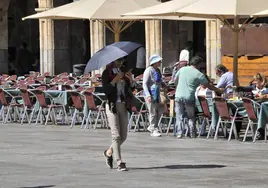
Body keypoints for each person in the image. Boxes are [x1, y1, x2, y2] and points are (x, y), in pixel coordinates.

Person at [174, 56, 222, 138]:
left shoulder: (182, 69)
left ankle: (179, 133)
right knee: (191, 116)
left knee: (179, 115)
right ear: (198, 64)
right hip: (189, 97)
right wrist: (218, 90)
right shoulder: (199, 74)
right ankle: (192, 133)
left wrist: (178, 87)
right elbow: (207, 85)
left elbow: (175, 79)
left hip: (178, 95)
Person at [102, 58, 136, 171]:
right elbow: (106, 90)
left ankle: (108, 152)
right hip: (112, 105)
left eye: (121, 60)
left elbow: (133, 89)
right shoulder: (107, 72)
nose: (119, 62)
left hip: (123, 105)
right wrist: (114, 80)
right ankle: (119, 162)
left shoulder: (125, 72)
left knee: (124, 136)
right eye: (117, 60)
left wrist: (131, 79)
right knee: (116, 135)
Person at [143, 55, 165, 137]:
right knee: (152, 111)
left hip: (157, 93)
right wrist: (148, 95)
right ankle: (153, 129)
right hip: (151, 93)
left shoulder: (158, 70)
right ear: (154, 62)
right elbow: (144, 84)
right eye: (159, 61)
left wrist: (164, 85)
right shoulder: (148, 70)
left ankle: (153, 126)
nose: (160, 63)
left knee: (160, 110)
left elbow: (159, 81)